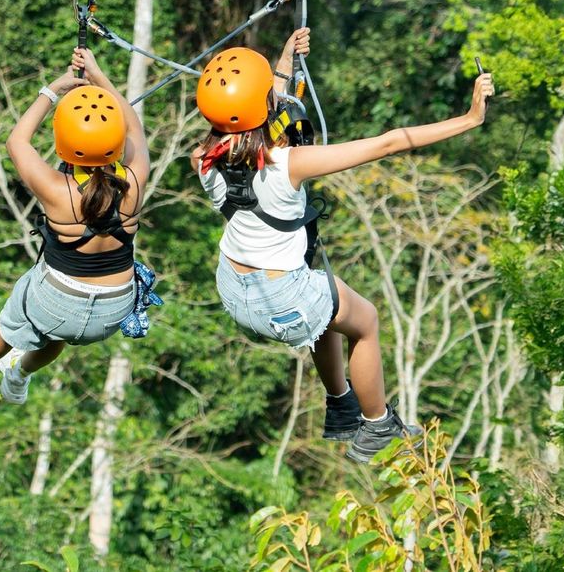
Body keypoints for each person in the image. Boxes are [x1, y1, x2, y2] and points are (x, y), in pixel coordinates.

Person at [191, 29, 495, 462]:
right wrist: (469, 118)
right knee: (365, 320)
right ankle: (376, 426)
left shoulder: (202, 159)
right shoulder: (291, 164)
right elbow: (390, 142)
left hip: (234, 289)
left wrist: (284, 57)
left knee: (326, 300)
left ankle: (340, 405)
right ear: (263, 105)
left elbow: (249, 112)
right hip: (281, 298)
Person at [0, 47, 150, 403]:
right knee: (58, 333)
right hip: (112, 312)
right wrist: (98, 75)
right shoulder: (135, 181)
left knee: (13, 327)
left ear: (64, 142)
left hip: (56, 305)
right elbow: (133, 126)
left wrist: (55, 89)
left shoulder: (56, 189)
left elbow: (16, 141)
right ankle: (18, 375)